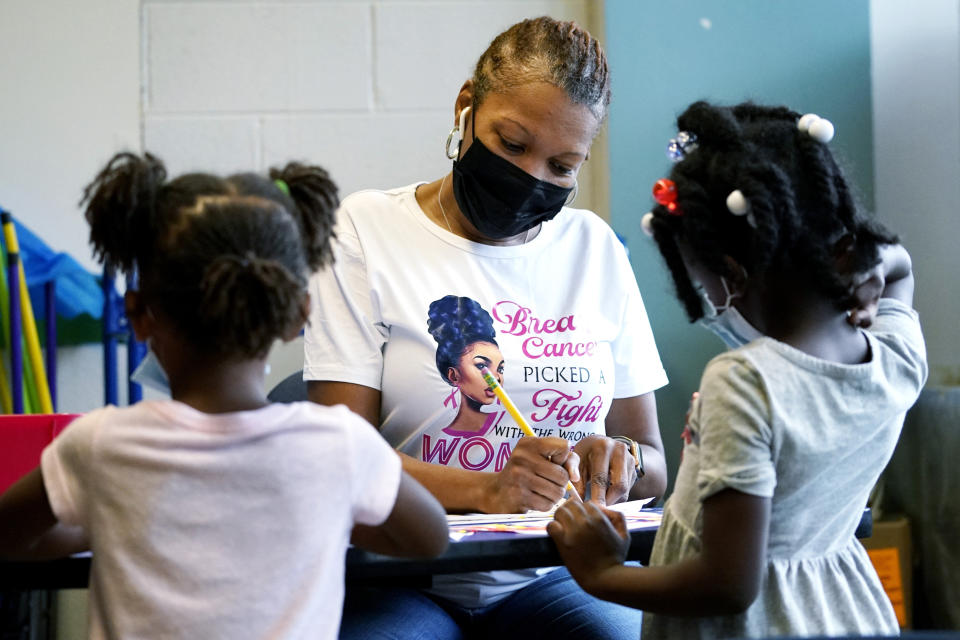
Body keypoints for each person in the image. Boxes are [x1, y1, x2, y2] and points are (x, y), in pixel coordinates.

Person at [305, 15, 668, 639]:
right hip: (405, 575)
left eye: (562, 166)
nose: (532, 177)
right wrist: (486, 489)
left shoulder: (594, 249)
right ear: (465, 108)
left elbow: (656, 465)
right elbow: (341, 461)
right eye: (512, 144)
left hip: (560, 577)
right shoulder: (365, 230)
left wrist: (622, 464)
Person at [0, 153, 449, 639]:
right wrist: (324, 514)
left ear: (138, 313)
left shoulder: (98, 445)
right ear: (300, 314)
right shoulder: (339, 445)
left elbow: (7, 536)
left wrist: (106, 525)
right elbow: (429, 538)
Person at [547, 101, 927, 638]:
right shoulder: (895, 357)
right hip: (848, 612)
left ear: (731, 274)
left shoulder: (745, 383)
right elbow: (901, 267)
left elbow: (727, 582)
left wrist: (600, 573)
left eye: (706, 284)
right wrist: (872, 265)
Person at [427, 295, 506, 434]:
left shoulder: (510, 426)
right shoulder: (436, 432)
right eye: (481, 366)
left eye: (500, 368)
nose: (497, 378)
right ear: (453, 375)